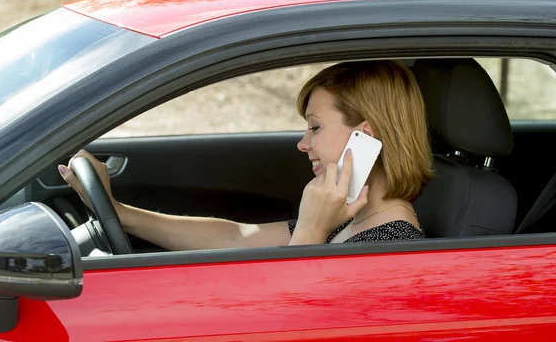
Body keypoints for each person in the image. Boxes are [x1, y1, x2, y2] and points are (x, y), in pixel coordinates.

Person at [58, 60, 433, 250]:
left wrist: (310, 229)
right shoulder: (352, 218)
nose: (303, 144)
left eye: (315, 127)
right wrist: (120, 213)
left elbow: (285, 318)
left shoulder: (393, 246)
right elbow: (237, 236)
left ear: (364, 136)